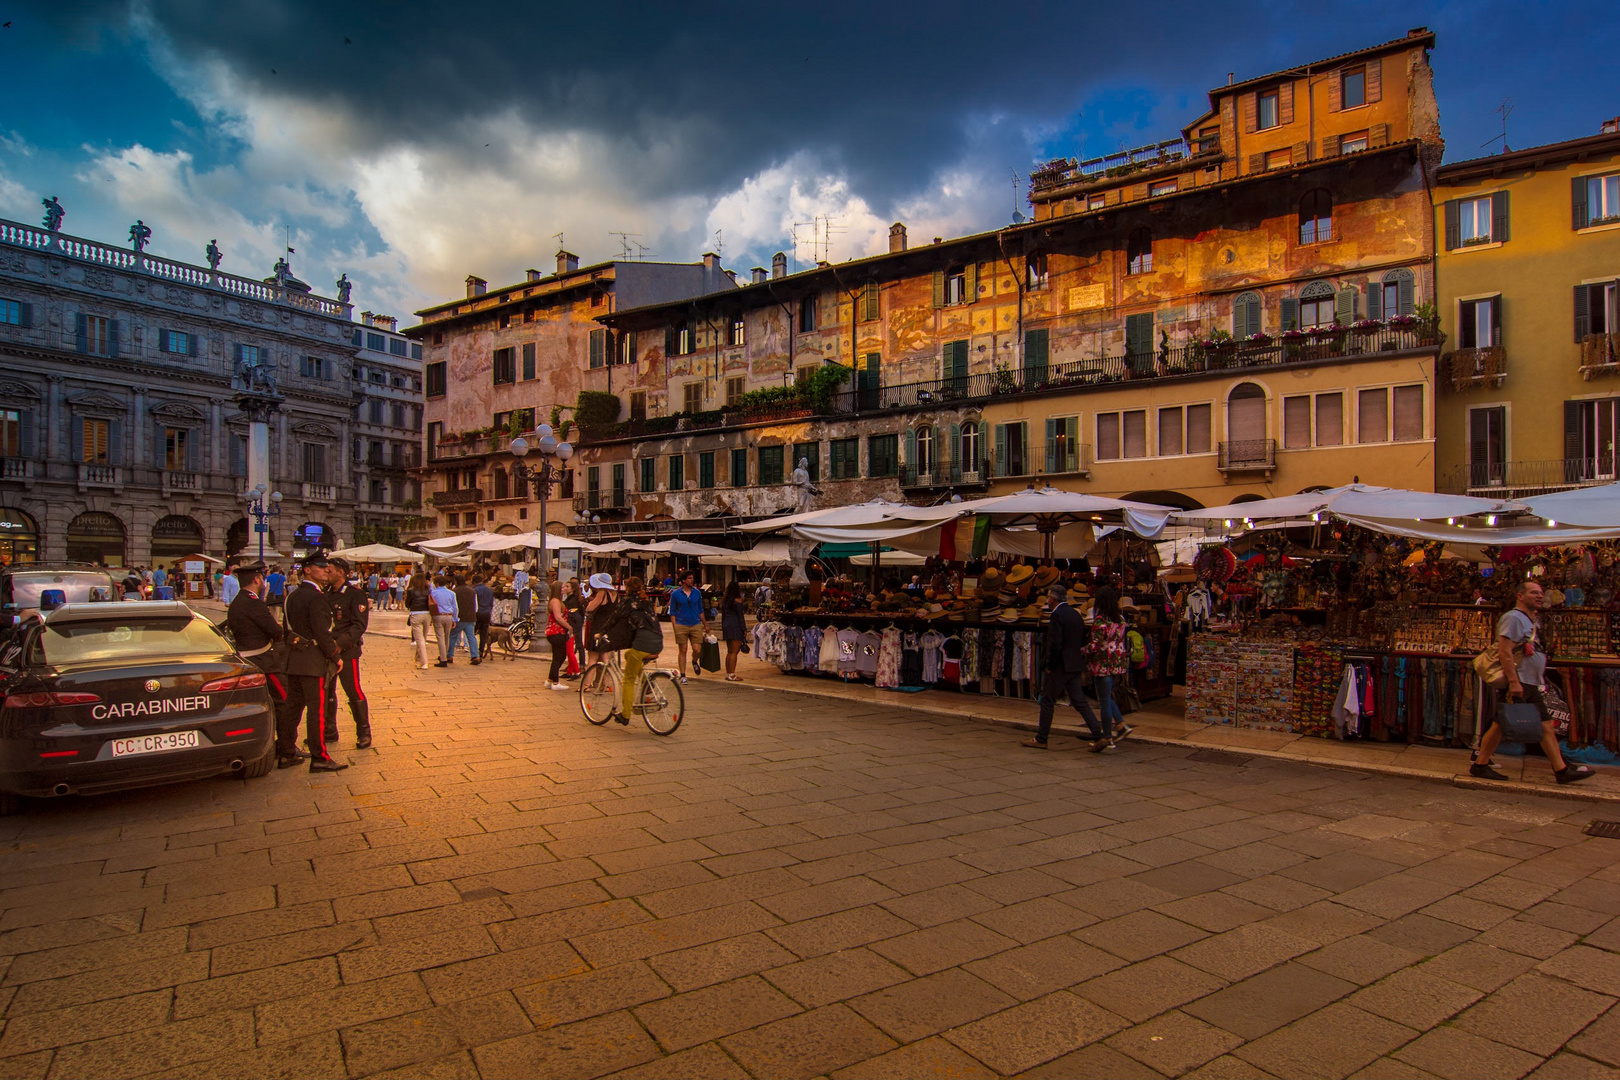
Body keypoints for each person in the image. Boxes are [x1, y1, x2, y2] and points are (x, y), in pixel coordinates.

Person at [1471, 579, 1595, 785]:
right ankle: (1560, 770)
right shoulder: (1513, 618)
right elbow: (1504, 651)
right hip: (1520, 680)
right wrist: (1514, 682)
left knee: (1508, 723)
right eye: (1534, 592)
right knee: (1532, 724)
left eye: (1540, 592)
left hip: (1527, 680)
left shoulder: (1529, 620)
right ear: (1520, 596)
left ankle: (1481, 764)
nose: (1539, 596)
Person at [225, 562, 303, 768]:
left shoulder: (238, 602)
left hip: (250, 660)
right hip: (265, 663)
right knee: (285, 704)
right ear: (258, 580)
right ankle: (287, 750)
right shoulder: (253, 603)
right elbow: (275, 631)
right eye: (262, 578)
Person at [281, 553, 348, 772]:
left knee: (292, 708)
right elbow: (322, 632)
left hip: (294, 659)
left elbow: (286, 628)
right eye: (321, 567)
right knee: (317, 710)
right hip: (312, 661)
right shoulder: (316, 597)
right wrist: (335, 657)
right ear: (307, 570)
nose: (326, 570)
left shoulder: (292, 596)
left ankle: (286, 752)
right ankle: (320, 757)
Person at [1024, 583, 1103, 749]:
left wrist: (1049, 664)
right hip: (1075, 662)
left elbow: (1055, 643)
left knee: (1047, 700)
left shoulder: (1057, 616)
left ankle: (1041, 738)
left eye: (1048, 597)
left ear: (1052, 599)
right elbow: (1082, 638)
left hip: (1060, 664)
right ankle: (1098, 734)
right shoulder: (1075, 615)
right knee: (1080, 701)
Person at [594, 576, 663, 722]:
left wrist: (601, 632)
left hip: (643, 642)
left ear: (628, 588)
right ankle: (647, 682)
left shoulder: (629, 602)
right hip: (658, 641)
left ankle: (625, 715)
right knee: (629, 655)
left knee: (628, 679)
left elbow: (615, 617)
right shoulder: (646, 601)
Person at [323, 557, 372, 750]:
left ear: (341, 572)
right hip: (327, 650)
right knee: (327, 691)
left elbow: (360, 624)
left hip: (347, 651)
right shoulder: (325, 594)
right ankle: (329, 729)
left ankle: (364, 731)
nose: (326, 573)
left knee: (352, 689)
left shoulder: (354, 594)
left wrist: (340, 644)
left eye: (330, 570)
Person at [1086, 586, 1135, 753]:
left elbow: (1096, 645)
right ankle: (1121, 724)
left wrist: (1082, 650)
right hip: (1117, 663)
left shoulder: (1101, 621)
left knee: (1104, 701)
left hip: (1102, 664)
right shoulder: (1120, 619)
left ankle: (1108, 737)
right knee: (1107, 696)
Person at [667, 570, 708, 684]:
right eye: (689, 578)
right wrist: (675, 626)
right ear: (684, 580)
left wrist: (705, 624)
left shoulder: (697, 593)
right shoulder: (676, 594)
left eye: (692, 578)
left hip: (695, 623)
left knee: (697, 649)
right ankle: (683, 674)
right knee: (683, 649)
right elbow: (673, 612)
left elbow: (700, 610)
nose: (692, 580)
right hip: (681, 624)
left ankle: (694, 661)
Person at [583, 572, 619, 668]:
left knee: (593, 658)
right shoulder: (616, 595)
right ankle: (604, 682)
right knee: (605, 658)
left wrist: (590, 602)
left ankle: (587, 683)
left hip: (598, 626)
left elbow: (589, 608)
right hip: (610, 627)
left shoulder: (602, 593)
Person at [545, 583, 574, 690]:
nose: (564, 589)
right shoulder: (556, 601)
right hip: (557, 631)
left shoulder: (555, 600)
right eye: (562, 587)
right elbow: (558, 617)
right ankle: (555, 682)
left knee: (558, 656)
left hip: (554, 631)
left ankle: (550, 680)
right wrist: (569, 627)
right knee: (559, 656)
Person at [719, 580, 747, 681]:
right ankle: (732, 674)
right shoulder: (738, 600)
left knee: (729, 651)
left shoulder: (725, 601)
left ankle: (728, 673)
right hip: (735, 625)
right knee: (734, 652)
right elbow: (740, 616)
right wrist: (744, 629)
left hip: (727, 624)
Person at [404, 572, 433, 668]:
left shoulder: (411, 591)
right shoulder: (428, 589)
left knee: (419, 639)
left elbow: (407, 604)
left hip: (416, 614)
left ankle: (424, 662)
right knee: (423, 638)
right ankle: (418, 659)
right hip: (427, 614)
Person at [451, 574, 480, 665]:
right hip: (470, 618)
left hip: (459, 618)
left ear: (456, 581)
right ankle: (475, 655)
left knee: (452, 637)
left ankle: (449, 655)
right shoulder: (472, 591)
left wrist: (453, 617)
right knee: (471, 637)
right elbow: (476, 606)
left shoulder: (454, 592)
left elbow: (454, 606)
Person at [430, 575, 458, 667]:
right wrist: (455, 618)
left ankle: (443, 659)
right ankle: (444, 654)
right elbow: (455, 607)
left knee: (440, 638)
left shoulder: (433, 593)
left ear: (437, 584)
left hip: (438, 616)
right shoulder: (451, 593)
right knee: (447, 637)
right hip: (449, 616)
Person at [474, 574, 496, 657]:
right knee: (483, 634)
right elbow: (491, 603)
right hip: (487, 613)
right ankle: (481, 651)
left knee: (472, 633)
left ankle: (474, 650)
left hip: (478, 613)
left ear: (474, 582)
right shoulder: (489, 590)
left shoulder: (475, 590)